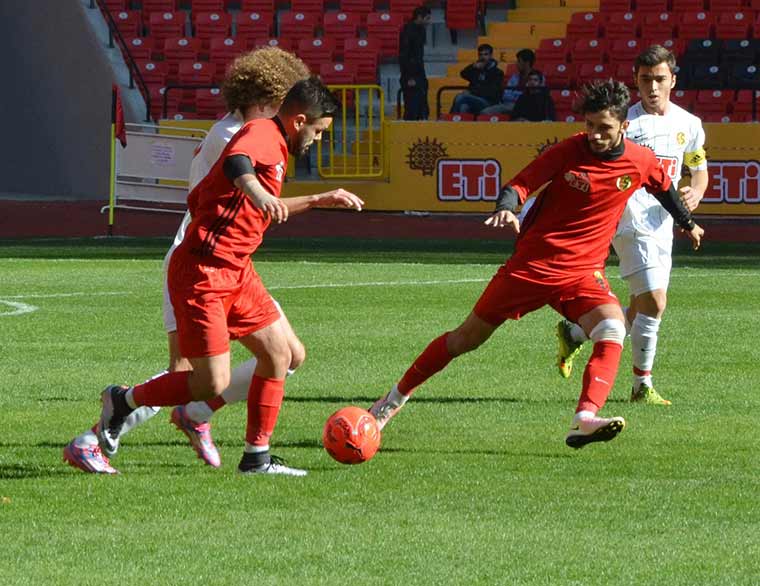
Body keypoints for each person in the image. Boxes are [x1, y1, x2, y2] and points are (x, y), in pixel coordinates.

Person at [368, 79, 703, 449]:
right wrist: (506, 208)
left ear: (624, 126)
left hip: (582, 274)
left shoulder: (639, 160)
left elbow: (663, 187)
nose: (593, 134)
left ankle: (585, 418)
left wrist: (687, 222)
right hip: (531, 267)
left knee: (612, 329)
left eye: (603, 128)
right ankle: (391, 401)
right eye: (590, 125)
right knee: (464, 340)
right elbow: (520, 184)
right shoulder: (569, 150)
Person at [64, 47, 311, 475]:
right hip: (197, 259)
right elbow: (232, 181)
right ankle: (94, 437)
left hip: (230, 263)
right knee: (186, 370)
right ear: (269, 94)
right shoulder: (239, 133)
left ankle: (198, 414)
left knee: (287, 353)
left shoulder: (253, 129)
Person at [98, 78, 362, 477]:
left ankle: (256, 457)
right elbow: (235, 162)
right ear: (299, 120)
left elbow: (263, 200)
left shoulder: (276, 145)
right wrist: (258, 194)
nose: (318, 140)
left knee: (282, 354)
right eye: (319, 131)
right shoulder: (262, 134)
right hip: (203, 270)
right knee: (209, 383)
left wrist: (317, 199)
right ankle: (123, 401)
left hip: (237, 269)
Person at [555, 45, 709, 406]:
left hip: (662, 224)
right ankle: (642, 385)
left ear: (673, 79)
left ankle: (577, 332)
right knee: (656, 300)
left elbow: (698, 168)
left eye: (659, 79)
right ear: (635, 82)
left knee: (643, 303)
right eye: (645, 80)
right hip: (628, 220)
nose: (652, 87)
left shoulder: (690, 124)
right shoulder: (625, 124)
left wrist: (696, 193)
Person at [481, 48, 541, 116]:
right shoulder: (514, 77)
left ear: (526, 63)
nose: (516, 64)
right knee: (485, 112)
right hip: (509, 105)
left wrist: (516, 94)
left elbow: (536, 97)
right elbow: (506, 95)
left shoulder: (538, 77)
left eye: (519, 61)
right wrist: (522, 94)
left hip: (528, 106)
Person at [450, 44, 504, 116]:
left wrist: (472, 92)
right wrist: (473, 66)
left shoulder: (497, 72)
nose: (483, 57)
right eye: (480, 55)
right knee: (463, 107)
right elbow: (463, 74)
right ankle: (458, 125)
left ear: (491, 56)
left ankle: (449, 120)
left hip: (489, 102)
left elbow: (492, 92)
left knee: (461, 97)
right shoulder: (476, 70)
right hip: (474, 99)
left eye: (486, 54)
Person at [399, 6, 431, 120]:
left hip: (420, 72)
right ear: (419, 17)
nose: (429, 21)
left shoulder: (422, 30)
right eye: (427, 18)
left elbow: (418, 55)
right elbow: (404, 56)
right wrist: (409, 77)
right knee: (412, 107)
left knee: (423, 107)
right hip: (410, 74)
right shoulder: (407, 31)